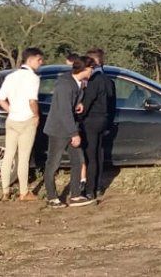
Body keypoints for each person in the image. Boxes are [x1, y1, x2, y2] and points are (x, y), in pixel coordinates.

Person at [44, 57, 94, 208]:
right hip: (59, 129)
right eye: (91, 69)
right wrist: (74, 133)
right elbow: (64, 111)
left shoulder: (77, 82)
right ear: (85, 69)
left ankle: (75, 195)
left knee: (78, 161)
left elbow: (71, 102)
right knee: (53, 164)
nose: (92, 72)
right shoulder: (65, 85)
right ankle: (52, 197)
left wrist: (78, 103)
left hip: (70, 127)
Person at [0, 47, 44, 202]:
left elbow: (0, 99)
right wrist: (36, 115)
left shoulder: (11, 76)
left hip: (12, 120)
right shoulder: (33, 78)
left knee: (8, 155)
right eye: (39, 60)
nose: (41, 63)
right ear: (31, 60)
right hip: (26, 120)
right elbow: (32, 101)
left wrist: (12, 110)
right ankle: (24, 192)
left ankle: (5, 191)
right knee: (23, 157)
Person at [80, 48, 115, 202]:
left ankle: (90, 190)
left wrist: (79, 118)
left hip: (91, 121)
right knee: (99, 154)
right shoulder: (109, 81)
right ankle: (99, 186)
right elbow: (112, 105)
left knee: (91, 156)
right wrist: (109, 124)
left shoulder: (93, 81)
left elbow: (86, 104)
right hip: (104, 121)